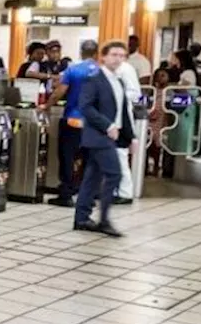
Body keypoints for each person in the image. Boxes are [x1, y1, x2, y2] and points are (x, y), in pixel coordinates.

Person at [75, 41, 134, 237]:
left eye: (121, 55)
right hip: (98, 136)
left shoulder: (119, 81)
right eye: (114, 54)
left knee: (92, 177)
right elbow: (86, 106)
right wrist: (106, 125)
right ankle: (104, 220)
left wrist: (130, 136)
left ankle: (82, 218)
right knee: (114, 174)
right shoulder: (94, 79)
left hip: (111, 136)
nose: (118, 58)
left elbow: (123, 111)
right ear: (103, 57)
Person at [39, 40, 100, 207]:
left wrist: (46, 106)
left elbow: (59, 92)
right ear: (96, 53)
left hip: (73, 119)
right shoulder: (103, 73)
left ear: (81, 52)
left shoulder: (73, 70)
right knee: (88, 159)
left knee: (67, 157)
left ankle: (65, 194)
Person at [113, 46, 142, 205]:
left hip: (122, 120)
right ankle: (114, 190)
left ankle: (125, 192)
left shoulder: (126, 69)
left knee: (120, 156)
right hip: (112, 120)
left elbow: (135, 93)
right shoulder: (109, 70)